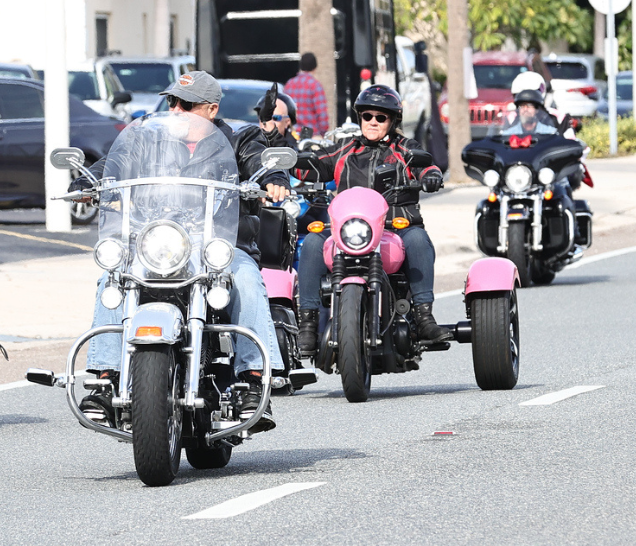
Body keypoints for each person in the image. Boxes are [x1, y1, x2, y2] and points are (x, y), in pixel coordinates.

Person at [73, 71, 289, 432]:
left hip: (213, 246)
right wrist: (88, 181)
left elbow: (257, 158)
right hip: (160, 242)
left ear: (211, 109)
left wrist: (274, 179)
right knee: (113, 276)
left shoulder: (238, 138)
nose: (175, 109)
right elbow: (114, 161)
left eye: (185, 104)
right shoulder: (150, 138)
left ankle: (252, 377)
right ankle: (104, 377)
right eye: (172, 102)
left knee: (246, 276)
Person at [293, 85, 449, 355]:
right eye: (368, 116)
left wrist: (429, 176)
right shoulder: (344, 150)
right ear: (360, 119)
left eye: (381, 117)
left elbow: (425, 165)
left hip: (394, 228)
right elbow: (313, 165)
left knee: (418, 239)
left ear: (393, 121)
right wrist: (290, 159)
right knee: (312, 242)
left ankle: (424, 317)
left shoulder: (404, 148)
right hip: (349, 230)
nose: (373, 122)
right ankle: (307, 326)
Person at [284, 52, 329, 135]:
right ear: (315, 67)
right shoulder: (315, 85)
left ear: (301, 66)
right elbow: (322, 114)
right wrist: (322, 133)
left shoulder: (289, 84)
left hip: (292, 133)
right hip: (311, 134)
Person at [256, 84, 300, 150]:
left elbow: (290, 154)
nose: (268, 122)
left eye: (275, 118)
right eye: (263, 117)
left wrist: (272, 134)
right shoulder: (250, 141)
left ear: (287, 121)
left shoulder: (295, 145)